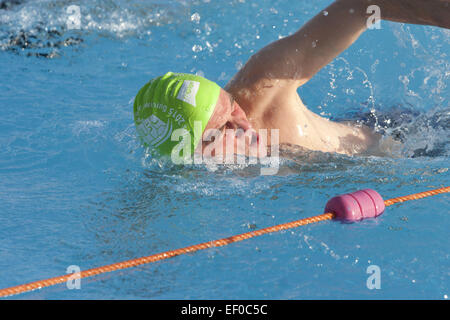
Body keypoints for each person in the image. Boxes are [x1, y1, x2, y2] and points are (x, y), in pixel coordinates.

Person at [134, 0, 449, 161]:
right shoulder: (193, 173)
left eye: (231, 107)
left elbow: (360, 7)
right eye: (222, 130)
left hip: (409, 139)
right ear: (189, 150)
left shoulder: (261, 87)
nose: (244, 123)